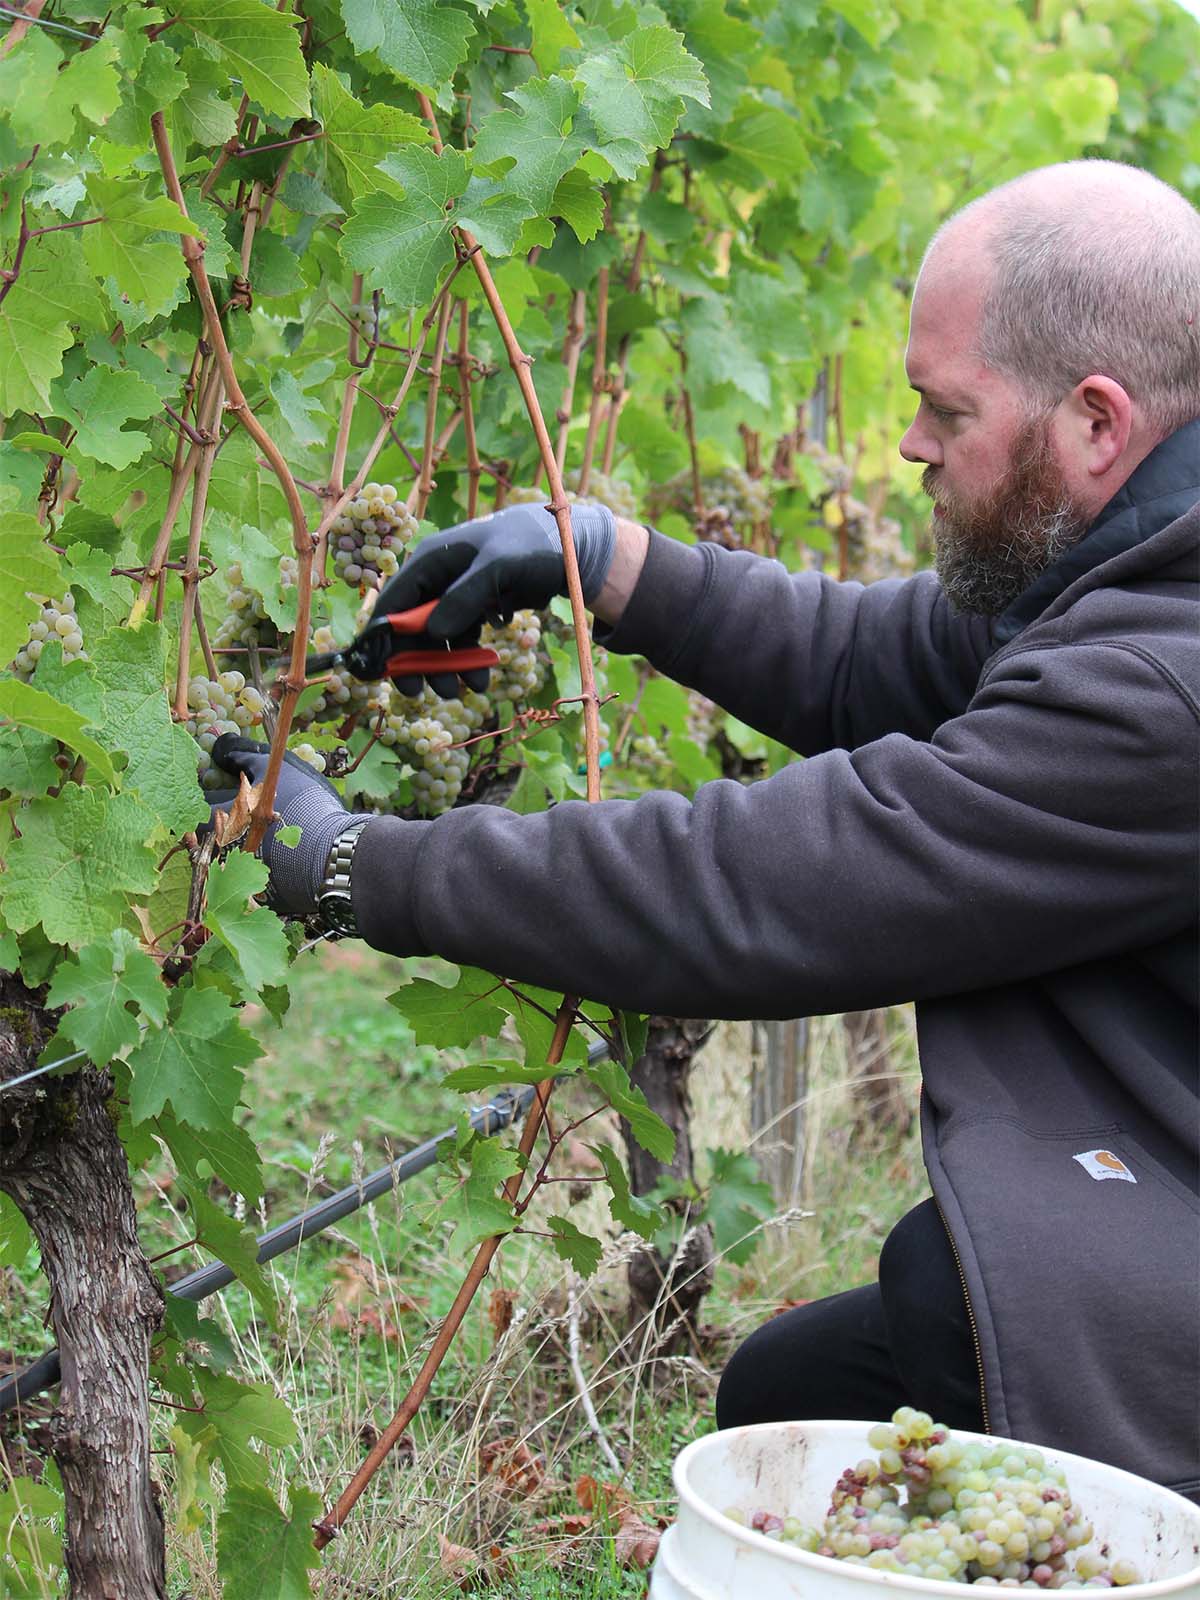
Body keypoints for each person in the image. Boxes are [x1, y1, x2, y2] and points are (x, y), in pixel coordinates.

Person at [212, 159, 1200, 1500]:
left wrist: (358, 867)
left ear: (1095, 422)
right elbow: (881, 655)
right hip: (1143, 1198)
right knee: (792, 1395)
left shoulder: (1161, 690)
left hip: (1158, 1253)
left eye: (943, 410)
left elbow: (785, 884)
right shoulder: (1135, 558)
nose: (909, 446)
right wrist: (612, 562)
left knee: (919, 1341)